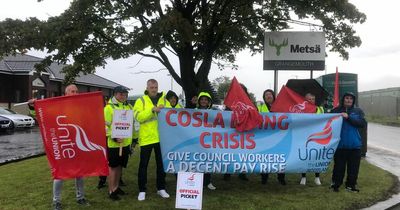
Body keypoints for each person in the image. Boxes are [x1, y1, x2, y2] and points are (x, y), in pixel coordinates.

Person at [28, 84, 89, 210]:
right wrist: (32, 106)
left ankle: (80, 197)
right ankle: (56, 201)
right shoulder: (57, 105)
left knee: (80, 173)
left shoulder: (80, 107)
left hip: (77, 144)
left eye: (77, 91)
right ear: (66, 93)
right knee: (59, 174)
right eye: (72, 91)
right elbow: (41, 116)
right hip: (62, 144)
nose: (75, 93)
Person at [133, 79, 170, 201]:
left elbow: (172, 114)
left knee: (161, 164)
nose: (154, 89)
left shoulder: (164, 100)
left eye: (155, 87)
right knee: (143, 165)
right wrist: (151, 110)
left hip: (161, 138)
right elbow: (138, 117)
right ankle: (142, 190)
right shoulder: (141, 100)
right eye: (151, 87)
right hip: (147, 138)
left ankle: (161, 188)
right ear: (147, 88)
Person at [104, 86, 137, 200]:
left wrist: (134, 139)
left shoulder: (128, 106)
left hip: (125, 143)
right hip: (114, 144)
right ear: (115, 94)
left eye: (125, 94)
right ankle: (111, 190)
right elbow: (105, 126)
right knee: (113, 167)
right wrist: (114, 137)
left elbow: (132, 124)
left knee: (120, 167)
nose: (123, 96)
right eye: (121, 94)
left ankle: (116, 187)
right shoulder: (108, 108)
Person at [330, 92, 366, 192]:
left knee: (353, 169)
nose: (349, 100)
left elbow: (361, 123)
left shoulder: (357, 111)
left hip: (355, 146)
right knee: (338, 167)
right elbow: (327, 122)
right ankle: (335, 185)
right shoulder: (336, 110)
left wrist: (348, 117)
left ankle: (350, 186)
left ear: (353, 100)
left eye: (351, 98)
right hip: (340, 145)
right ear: (343, 99)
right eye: (347, 98)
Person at [257, 89, 286, 185]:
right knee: (265, 159)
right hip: (265, 138)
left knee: (280, 158)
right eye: (266, 95)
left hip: (278, 137)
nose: (268, 96)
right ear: (264, 98)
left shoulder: (280, 107)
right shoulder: (261, 108)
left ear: (274, 96)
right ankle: (264, 178)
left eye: (270, 94)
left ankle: (281, 177)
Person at [300, 93, 323, 186]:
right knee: (304, 156)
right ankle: (303, 177)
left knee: (316, 156)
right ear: (305, 100)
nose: (311, 100)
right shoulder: (301, 110)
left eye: (313, 99)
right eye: (309, 99)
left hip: (316, 136)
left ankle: (317, 177)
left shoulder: (320, 109)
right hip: (304, 136)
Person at [196, 91, 217, 190]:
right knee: (197, 161)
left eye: (206, 100)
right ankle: (198, 182)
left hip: (208, 140)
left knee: (208, 161)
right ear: (199, 101)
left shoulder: (213, 112)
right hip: (196, 140)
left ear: (209, 102)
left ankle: (208, 182)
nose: (204, 101)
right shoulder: (193, 111)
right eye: (202, 99)